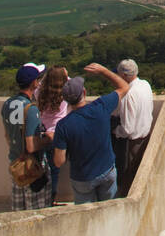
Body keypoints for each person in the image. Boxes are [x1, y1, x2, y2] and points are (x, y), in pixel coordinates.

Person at [52, 63, 130, 203]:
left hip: (82, 177)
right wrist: (104, 70)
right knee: (109, 209)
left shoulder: (63, 126)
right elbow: (124, 87)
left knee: (86, 213)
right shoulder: (101, 106)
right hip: (107, 170)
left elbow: (59, 162)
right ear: (84, 92)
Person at [1, 63, 51, 211]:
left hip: (16, 163)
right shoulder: (31, 109)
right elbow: (31, 145)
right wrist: (48, 139)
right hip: (32, 166)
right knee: (36, 210)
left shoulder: (7, 104)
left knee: (18, 210)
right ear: (34, 83)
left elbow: (7, 135)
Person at [111, 58, 153, 196]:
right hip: (145, 137)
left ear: (124, 75)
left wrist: (115, 131)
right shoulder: (145, 84)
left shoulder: (128, 94)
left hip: (133, 142)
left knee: (130, 178)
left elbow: (127, 129)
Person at [36, 65, 70, 203]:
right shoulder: (66, 92)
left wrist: (49, 75)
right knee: (54, 170)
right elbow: (72, 82)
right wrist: (64, 73)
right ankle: (51, 199)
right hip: (57, 134)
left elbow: (41, 82)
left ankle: (41, 198)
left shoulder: (39, 91)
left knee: (40, 168)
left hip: (42, 132)